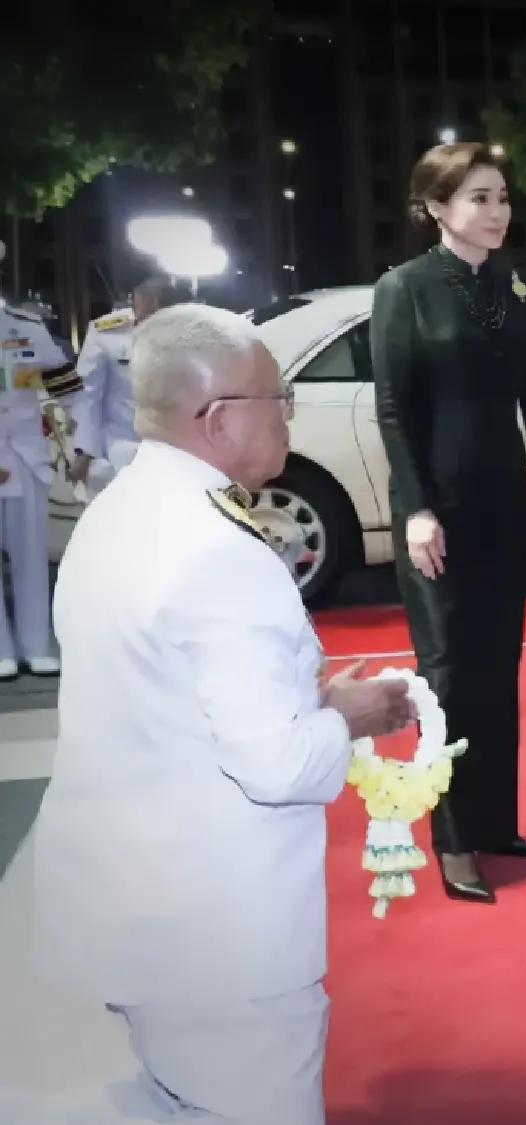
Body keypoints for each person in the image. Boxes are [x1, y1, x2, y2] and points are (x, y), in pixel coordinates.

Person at [35, 304, 416, 1124]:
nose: (287, 416)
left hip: (127, 897)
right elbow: (277, 767)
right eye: (278, 398)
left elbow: (164, 692)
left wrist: (306, 701)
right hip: (215, 934)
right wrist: (349, 716)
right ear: (217, 419)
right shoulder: (221, 550)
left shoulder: (119, 509)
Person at [372, 140, 526, 905]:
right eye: (479, 198)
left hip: (501, 497)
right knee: (451, 669)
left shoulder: (518, 283)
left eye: (502, 197)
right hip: (438, 504)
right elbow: (394, 408)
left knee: (498, 663)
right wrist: (417, 508)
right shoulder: (405, 288)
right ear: (436, 207)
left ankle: (494, 820)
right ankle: (453, 838)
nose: (497, 211)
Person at [0, 298, 77, 680]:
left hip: (24, 457)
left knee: (30, 555)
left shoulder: (27, 326)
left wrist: (83, 432)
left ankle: (36, 646)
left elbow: (66, 385)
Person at [71, 276, 189, 495]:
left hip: (175, 450)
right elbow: (88, 395)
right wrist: (84, 450)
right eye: (147, 300)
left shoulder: (190, 330)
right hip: (120, 446)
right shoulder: (107, 331)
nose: (152, 312)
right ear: (135, 298)